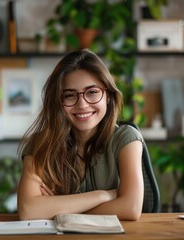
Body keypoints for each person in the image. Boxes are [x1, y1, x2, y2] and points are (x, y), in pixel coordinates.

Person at [17, 49, 144, 221]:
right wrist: (104, 196)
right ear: (58, 102)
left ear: (107, 95)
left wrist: (56, 206)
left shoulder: (126, 138)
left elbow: (131, 208)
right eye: (69, 95)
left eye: (92, 92)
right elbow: (29, 211)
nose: (82, 105)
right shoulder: (40, 143)